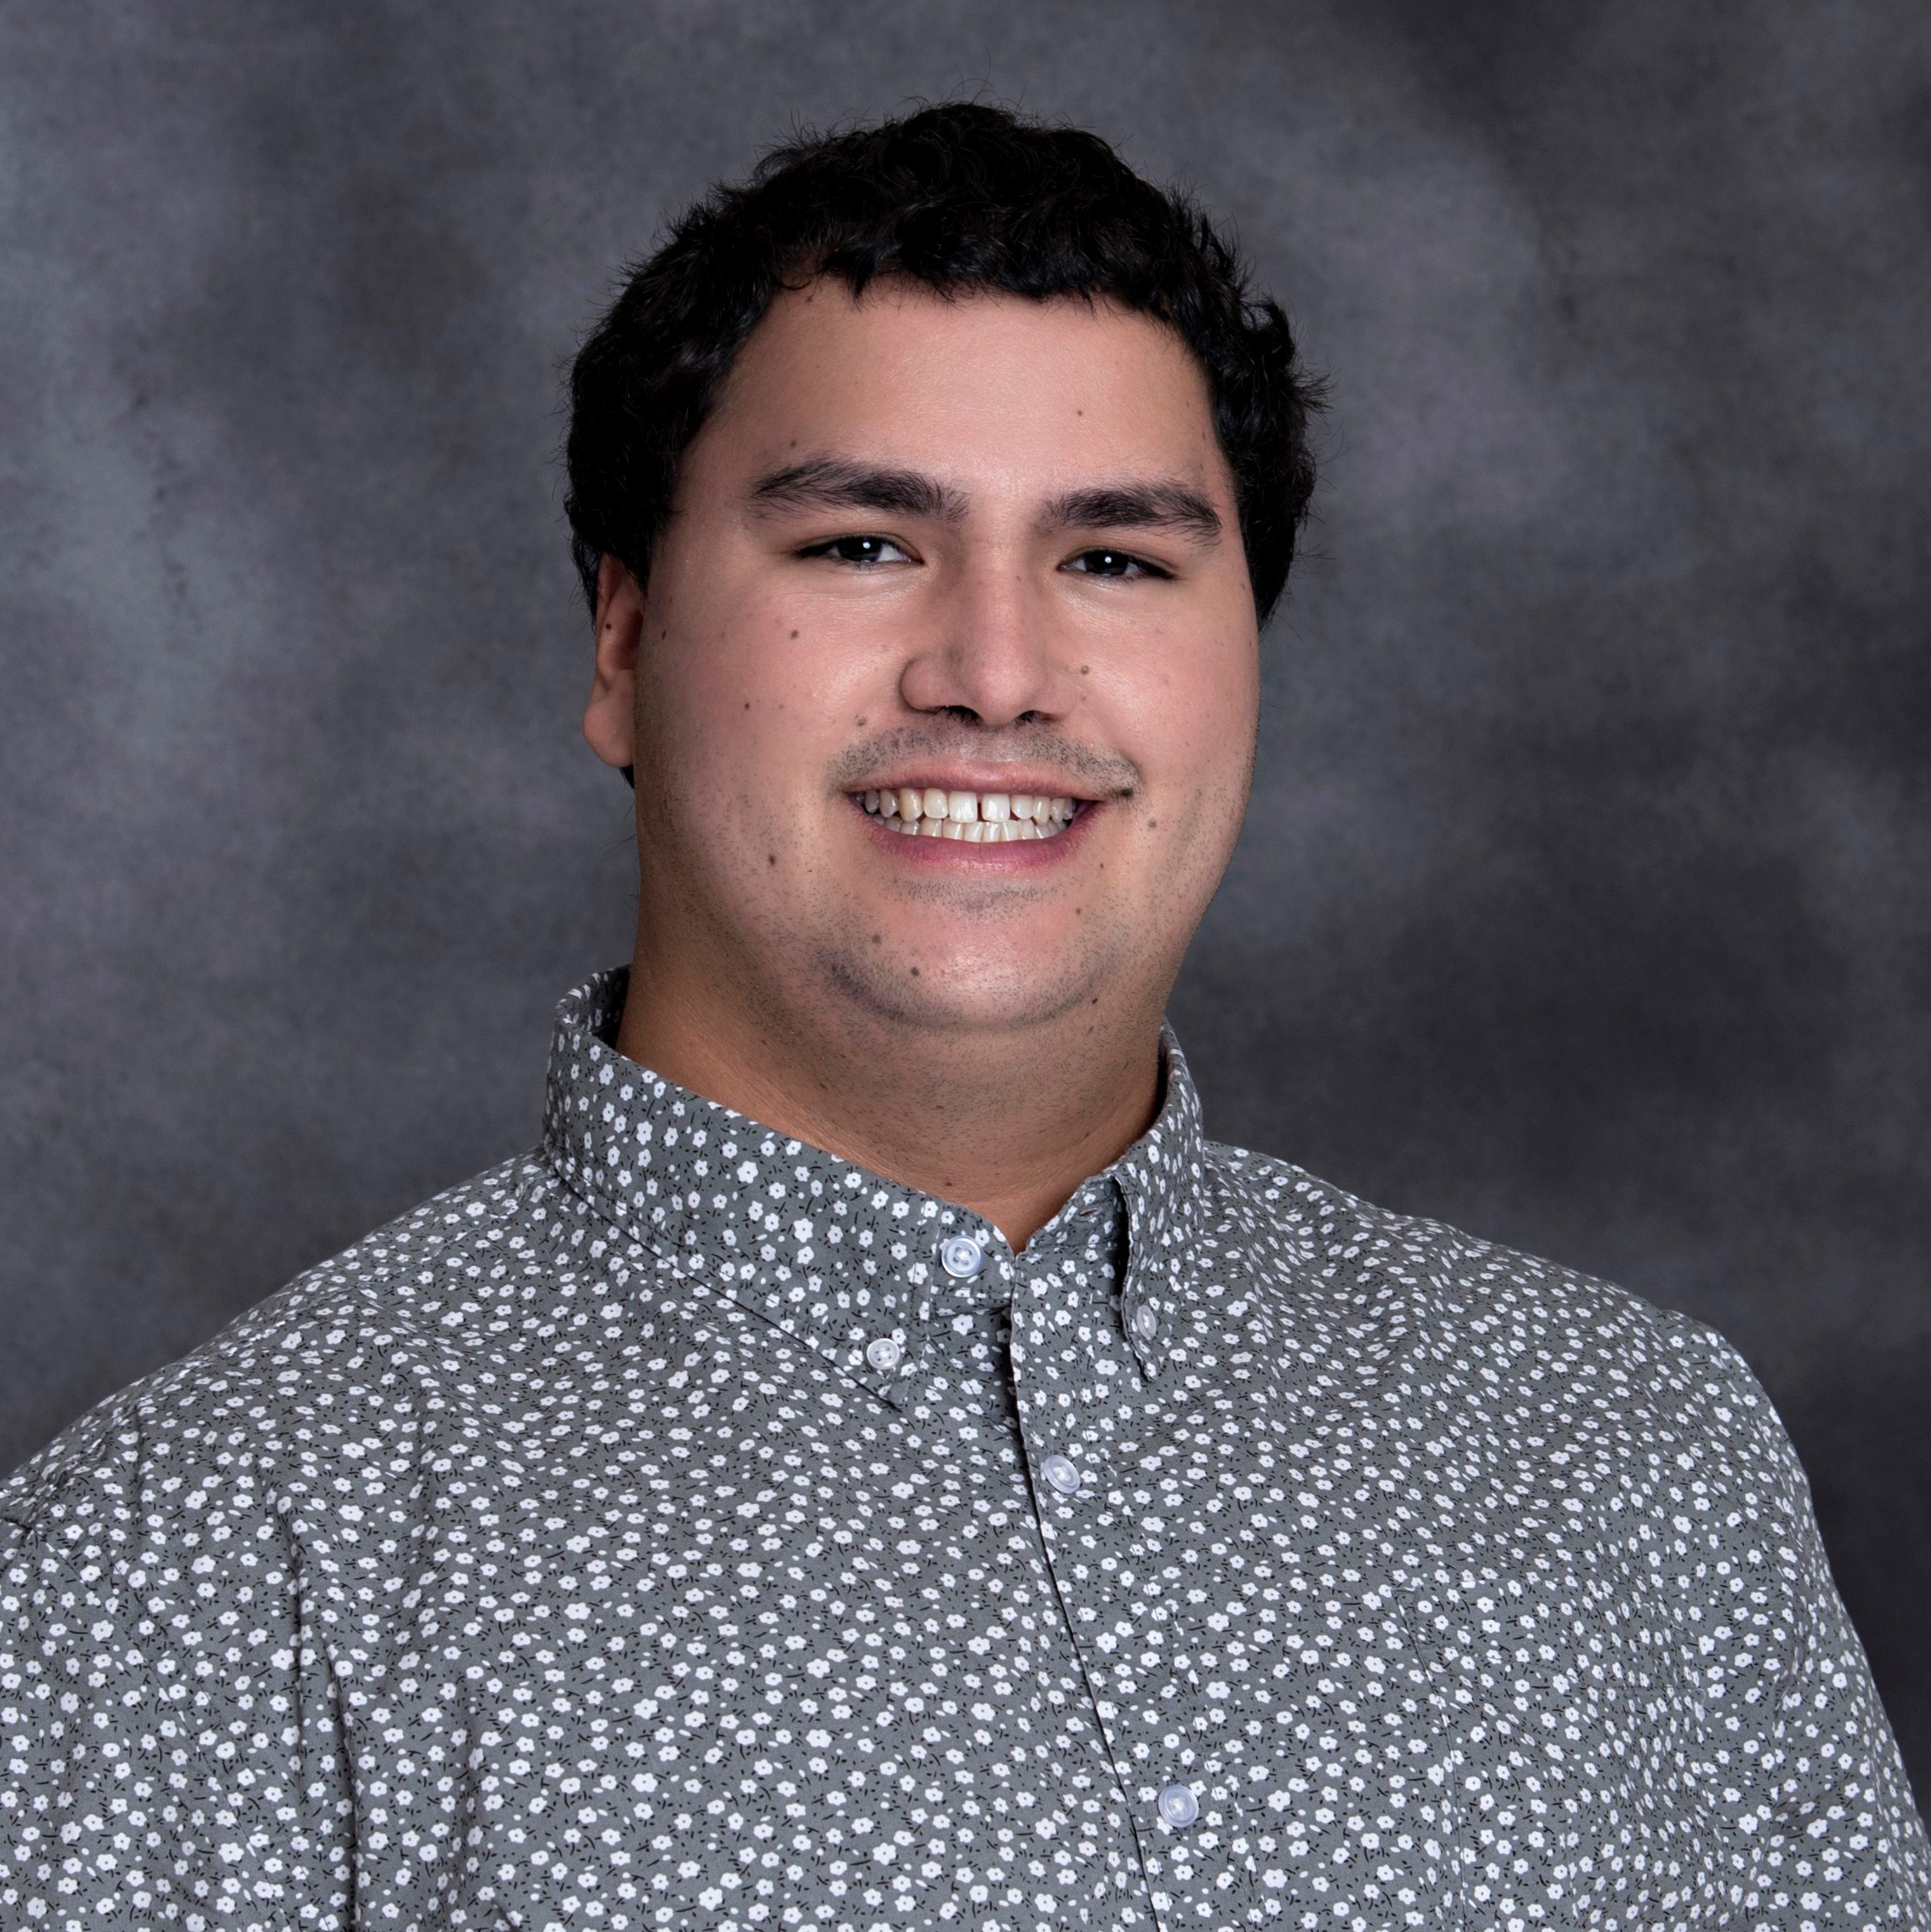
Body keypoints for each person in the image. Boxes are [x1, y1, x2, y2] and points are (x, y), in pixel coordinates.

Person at [2, 103, 1924, 1932]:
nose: (996, 670)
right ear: (623, 637)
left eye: (1112, 557)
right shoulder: (184, 1565)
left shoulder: (1637, 1455)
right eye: (860, 543)